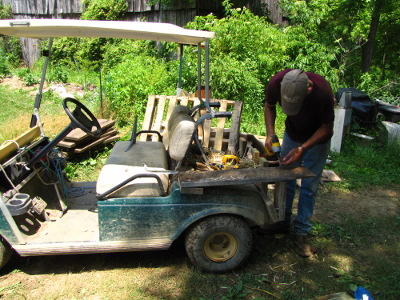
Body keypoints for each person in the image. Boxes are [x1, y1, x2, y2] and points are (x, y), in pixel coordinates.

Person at [264, 69, 335, 257]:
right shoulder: (276, 82)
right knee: (285, 177)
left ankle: (301, 231)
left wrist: (302, 149)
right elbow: (269, 105)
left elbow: (327, 129)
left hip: (316, 139)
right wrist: (271, 132)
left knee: (308, 186)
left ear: (308, 89)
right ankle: (282, 221)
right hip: (292, 134)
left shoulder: (323, 93)